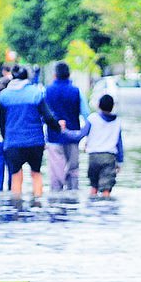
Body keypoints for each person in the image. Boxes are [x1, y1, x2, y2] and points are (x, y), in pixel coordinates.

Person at [0, 64, 61, 197]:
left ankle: (16, 207)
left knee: (16, 176)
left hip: (13, 142)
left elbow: (2, 123)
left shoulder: (4, 96)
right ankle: (38, 204)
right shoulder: (36, 93)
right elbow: (48, 117)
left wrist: (6, 139)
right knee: (36, 174)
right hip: (35, 142)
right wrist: (58, 128)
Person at [44, 62, 90, 192]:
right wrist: (86, 136)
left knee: (55, 172)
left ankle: (56, 198)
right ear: (69, 75)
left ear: (55, 75)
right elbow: (86, 115)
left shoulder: (47, 91)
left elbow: (42, 115)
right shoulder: (77, 91)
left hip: (54, 137)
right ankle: (73, 196)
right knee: (73, 170)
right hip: (73, 136)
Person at [82, 95, 124, 198]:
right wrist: (120, 162)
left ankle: (92, 208)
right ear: (112, 106)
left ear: (99, 105)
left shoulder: (92, 118)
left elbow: (81, 134)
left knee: (93, 186)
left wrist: (64, 133)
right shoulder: (117, 121)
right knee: (106, 189)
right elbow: (119, 144)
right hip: (109, 157)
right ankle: (106, 209)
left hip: (93, 157)